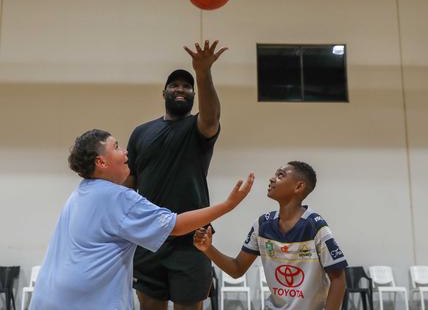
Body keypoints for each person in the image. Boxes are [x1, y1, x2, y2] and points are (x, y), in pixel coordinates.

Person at [29, 129, 254, 310]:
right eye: (116, 147)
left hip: (47, 296)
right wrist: (227, 206)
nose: (126, 152)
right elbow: (175, 226)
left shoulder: (80, 192)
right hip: (87, 301)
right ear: (102, 162)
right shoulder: (117, 197)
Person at [124, 40, 227, 310]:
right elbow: (129, 183)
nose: (180, 89)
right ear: (164, 92)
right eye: (174, 85)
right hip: (149, 239)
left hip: (192, 241)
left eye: (186, 86)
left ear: (194, 94)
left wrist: (203, 73)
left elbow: (212, 116)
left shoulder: (198, 128)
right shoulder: (141, 133)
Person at [193, 161, 348, 310]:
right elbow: (237, 269)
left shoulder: (315, 226)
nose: (272, 178)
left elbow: (338, 279)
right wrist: (207, 248)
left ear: (299, 186)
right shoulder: (262, 225)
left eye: (280, 175)